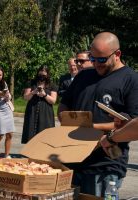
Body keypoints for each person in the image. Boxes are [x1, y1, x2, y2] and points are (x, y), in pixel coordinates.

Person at [58, 32, 138, 197]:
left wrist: (91, 127)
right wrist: (63, 117)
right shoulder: (83, 75)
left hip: (104, 165)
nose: (96, 64)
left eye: (102, 60)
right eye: (93, 59)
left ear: (117, 54)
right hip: (71, 160)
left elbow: (132, 124)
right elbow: (65, 102)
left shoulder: (131, 80)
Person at [21, 66, 57, 144]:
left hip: (46, 111)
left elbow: (53, 101)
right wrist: (33, 92)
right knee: (31, 130)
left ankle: (43, 153)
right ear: (38, 73)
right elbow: (26, 97)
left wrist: (44, 95)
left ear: (47, 75)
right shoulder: (31, 83)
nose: (42, 77)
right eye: (40, 74)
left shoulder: (51, 85)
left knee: (45, 131)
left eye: (44, 75)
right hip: (32, 109)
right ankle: (29, 152)